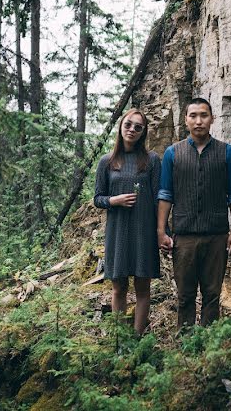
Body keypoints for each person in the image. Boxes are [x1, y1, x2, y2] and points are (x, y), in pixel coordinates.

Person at [157, 97, 231, 328]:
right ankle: (186, 343)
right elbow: (165, 194)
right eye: (193, 116)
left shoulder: (227, 153)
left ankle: (208, 344)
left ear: (212, 119)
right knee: (185, 296)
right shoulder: (172, 154)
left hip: (217, 235)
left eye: (203, 115)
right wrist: (161, 231)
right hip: (184, 237)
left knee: (212, 294)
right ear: (185, 120)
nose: (198, 121)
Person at [94, 108, 161, 334]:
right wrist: (114, 200)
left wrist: (163, 231)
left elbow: (158, 199)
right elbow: (97, 199)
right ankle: (119, 339)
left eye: (138, 127)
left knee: (143, 287)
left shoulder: (151, 160)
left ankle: (137, 338)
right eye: (128, 125)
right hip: (117, 231)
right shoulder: (107, 161)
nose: (132, 130)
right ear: (121, 126)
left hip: (144, 231)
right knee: (118, 287)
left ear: (143, 132)